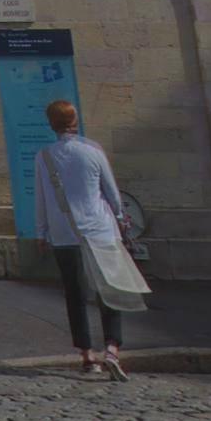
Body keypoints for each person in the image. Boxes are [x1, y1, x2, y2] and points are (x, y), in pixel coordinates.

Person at [33, 98, 129, 381]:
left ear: (51, 124)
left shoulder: (44, 156)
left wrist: (41, 232)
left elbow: (41, 199)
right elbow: (111, 192)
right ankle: (112, 348)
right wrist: (121, 219)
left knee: (75, 293)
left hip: (65, 231)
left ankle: (87, 354)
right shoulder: (93, 151)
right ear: (75, 120)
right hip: (99, 229)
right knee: (109, 290)